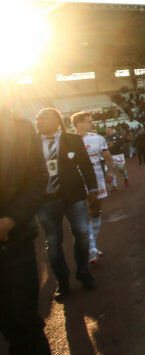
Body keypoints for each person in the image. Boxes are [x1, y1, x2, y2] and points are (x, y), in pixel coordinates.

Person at [0, 93, 51, 354]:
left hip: (14, 241)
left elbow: (37, 176)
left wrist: (10, 220)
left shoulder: (20, 126)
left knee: (24, 325)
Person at [35, 108, 98, 299]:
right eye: (37, 119)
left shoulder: (72, 139)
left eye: (43, 118)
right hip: (45, 199)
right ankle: (62, 280)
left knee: (81, 233)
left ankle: (83, 271)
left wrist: (93, 188)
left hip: (73, 195)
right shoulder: (32, 143)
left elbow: (85, 164)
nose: (38, 122)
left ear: (56, 120)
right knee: (53, 242)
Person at [71, 113, 115, 264]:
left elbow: (108, 157)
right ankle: (91, 248)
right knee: (81, 216)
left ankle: (92, 245)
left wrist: (110, 172)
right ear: (78, 123)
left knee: (95, 212)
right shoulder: (68, 140)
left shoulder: (97, 138)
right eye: (89, 121)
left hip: (97, 181)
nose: (92, 123)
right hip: (77, 183)